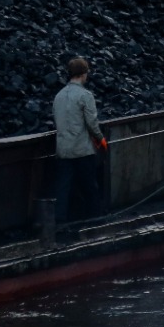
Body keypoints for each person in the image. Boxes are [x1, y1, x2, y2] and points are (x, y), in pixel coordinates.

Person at [52, 56, 105, 225]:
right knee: (90, 186)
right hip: (82, 149)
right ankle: (94, 218)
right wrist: (100, 139)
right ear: (84, 74)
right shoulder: (85, 95)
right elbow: (92, 123)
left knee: (63, 187)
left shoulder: (58, 96)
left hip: (63, 149)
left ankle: (59, 220)